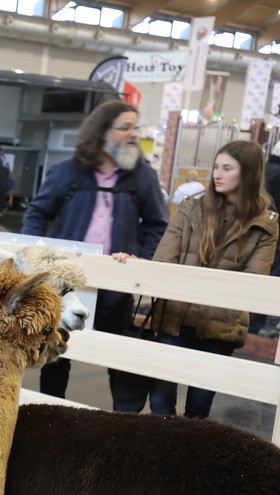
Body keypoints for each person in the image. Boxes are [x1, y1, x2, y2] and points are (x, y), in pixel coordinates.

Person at [21, 100, 168, 411]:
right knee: (57, 354)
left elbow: (157, 224)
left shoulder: (142, 177)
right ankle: (52, 415)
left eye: (135, 127)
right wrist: (41, 254)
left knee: (118, 355)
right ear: (102, 131)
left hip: (117, 287)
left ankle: (123, 423)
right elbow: (36, 212)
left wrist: (139, 258)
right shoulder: (68, 173)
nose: (133, 134)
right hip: (68, 286)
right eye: (125, 127)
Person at [149, 140, 278, 418]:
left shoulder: (265, 225)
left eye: (227, 168)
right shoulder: (190, 209)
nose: (217, 174)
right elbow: (163, 261)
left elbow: (253, 280)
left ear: (248, 174)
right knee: (160, 404)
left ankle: (188, 461)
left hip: (221, 329)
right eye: (216, 167)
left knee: (198, 409)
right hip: (174, 320)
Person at [249, 141, 280, 338]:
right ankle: (256, 326)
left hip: (257, 232)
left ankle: (251, 326)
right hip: (275, 236)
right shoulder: (277, 175)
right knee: (270, 280)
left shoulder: (265, 170)